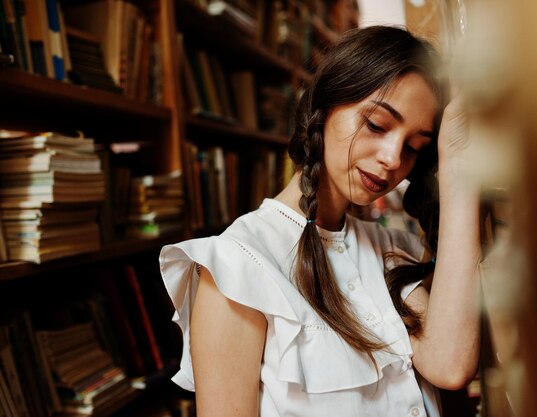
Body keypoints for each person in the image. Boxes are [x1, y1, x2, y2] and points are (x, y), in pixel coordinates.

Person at [160, 25, 481, 417]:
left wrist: (459, 163)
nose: (393, 159)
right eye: (377, 125)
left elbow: (451, 365)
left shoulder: (392, 250)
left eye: (414, 148)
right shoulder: (238, 264)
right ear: (325, 107)